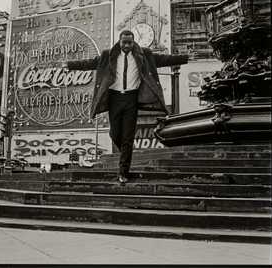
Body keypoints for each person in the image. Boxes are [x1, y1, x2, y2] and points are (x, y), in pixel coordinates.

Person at [62, 30, 188, 183]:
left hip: (131, 99)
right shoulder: (108, 55)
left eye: (130, 42)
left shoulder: (144, 54)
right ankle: (126, 155)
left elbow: (164, 59)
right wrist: (70, 65)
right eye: (124, 42)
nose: (127, 45)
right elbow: (90, 63)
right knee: (115, 134)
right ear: (119, 42)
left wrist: (185, 58)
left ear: (133, 42)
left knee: (128, 137)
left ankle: (123, 172)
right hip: (114, 99)